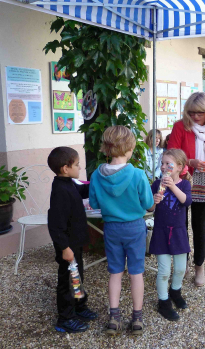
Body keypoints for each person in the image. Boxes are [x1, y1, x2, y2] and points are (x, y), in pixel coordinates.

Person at [89, 125, 154, 336]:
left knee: (115, 272)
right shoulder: (137, 174)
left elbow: (94, 202)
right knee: (136, 273)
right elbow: (148, 204)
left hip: (111, 228)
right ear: (129, 149)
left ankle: (114, 317)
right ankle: (137, 319)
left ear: (106, 149)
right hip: (134, 227)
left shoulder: (97, 176)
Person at [167, 91, 205, 287]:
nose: (194, 116)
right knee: (180, 225)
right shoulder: (179, 127)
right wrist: (189, 161)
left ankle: (199, 267)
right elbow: (171, 156)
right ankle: (181, 265)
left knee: (199, 227)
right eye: (191, 112)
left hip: (203, 181)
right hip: (181, 181)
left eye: (199, 113)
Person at [47, 147, 98, 334]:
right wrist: (64, 248)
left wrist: (98, 181)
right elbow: (55, 225)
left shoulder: (69, 183)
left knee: (77, 278)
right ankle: (65, 318)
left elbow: (84, 190)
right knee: (68, 281)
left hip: (74, 244)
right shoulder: (60, 191)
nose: (80, 167)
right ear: (65, 168)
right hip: (67, 247)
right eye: (77, 165)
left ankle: (79, 307)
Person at [148, 149, 192, 321]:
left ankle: (175, 291)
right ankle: (163, 301)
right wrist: (154, 201)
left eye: (169, 164)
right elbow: (149, 208)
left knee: (181, 268)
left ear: (179, 167)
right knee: (164, 271)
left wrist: (172, 186)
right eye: (163, 163)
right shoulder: (156, 184)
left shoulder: (184, 184)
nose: (164, 167)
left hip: (179, 232)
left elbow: (186, 201)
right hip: (161, 231)